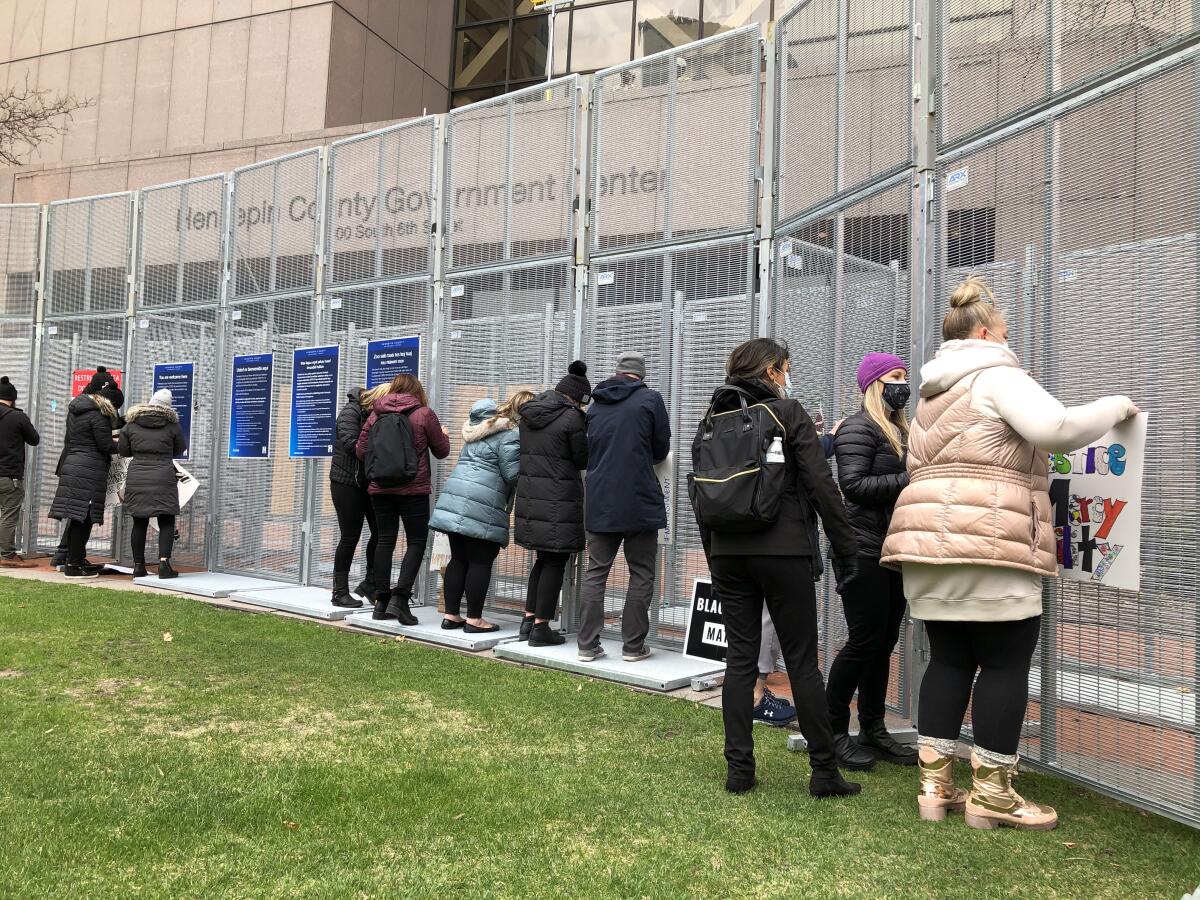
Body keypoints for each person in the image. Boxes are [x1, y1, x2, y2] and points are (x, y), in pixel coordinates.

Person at [881, 277, 1139, 830]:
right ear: (985, 332)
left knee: (948, 658)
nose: (1010, 340)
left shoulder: (930, 392)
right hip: (989, 539)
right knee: (1004, 659)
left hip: (929, 543)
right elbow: (1058, 429)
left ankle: (935, 788)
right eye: (1004, 332)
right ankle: (993, 796)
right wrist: (1115, 406)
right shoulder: (997, 376)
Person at [694, 338, 861, 798]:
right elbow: (821, 485)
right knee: (803, 661)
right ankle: (824, 771)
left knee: (740, 660)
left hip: (729, 552)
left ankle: (739, 770)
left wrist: (715, 556)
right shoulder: (788, 414)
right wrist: (847, 547)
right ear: (772, 372)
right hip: (782, 549)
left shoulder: (710, 423)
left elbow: (700, 496)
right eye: (786, 368)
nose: (789, 376)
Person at [825, 352, 917, 771]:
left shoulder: (899, 430)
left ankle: (873, 729)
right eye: (895, 376)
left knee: (883, 642)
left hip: (891, 548)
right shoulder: (859, 428)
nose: (903, 383)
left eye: (904, 375)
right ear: (875, 384)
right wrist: (911, 477)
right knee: (864, 641)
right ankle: (832, 731)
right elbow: (854, 485)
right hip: (860, 549)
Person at [576, 352, 670, 663]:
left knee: (596, 571)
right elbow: (661, 449)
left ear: (617, 373)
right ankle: (633, 647)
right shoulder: (650, 400)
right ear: (641, 376)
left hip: (600, 497)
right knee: (641, 572)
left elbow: (589, 447)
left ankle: (587, 645)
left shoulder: (596, 403)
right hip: (639, 498)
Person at [429, 391, 530, 633]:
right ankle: (475, 619)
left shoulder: (472, 433)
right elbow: (512, 474)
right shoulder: (508, 435)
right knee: (480, 561)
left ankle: (451, 615)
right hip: (483, 503)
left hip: (455, 499)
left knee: (459, 558)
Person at [355, 374, 450, 625]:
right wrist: (443, 434)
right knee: (416, 542)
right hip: (413, 488)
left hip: (380, 488)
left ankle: (381, 602)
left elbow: (361, 451)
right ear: (416, 390)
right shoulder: (424, 414)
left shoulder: (376, 414)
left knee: (385, 540)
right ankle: (401, 599)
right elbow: (442, 452)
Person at [514, 361, 590, 647]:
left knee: (542, 560)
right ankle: (541, 628)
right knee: (555, 561)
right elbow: (582, 459)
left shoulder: (531, 414)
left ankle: (529, 620)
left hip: (533, 499)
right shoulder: (572, 419)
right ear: (576, 399)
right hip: (559, 500)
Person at [49, 368, 124, 578]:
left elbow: (87, 437)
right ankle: (74, 564)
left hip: (74, 464)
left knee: (77, 515)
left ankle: (73, 559)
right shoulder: (97, 414)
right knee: (85, 517)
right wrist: (128, 444)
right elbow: (106, 445)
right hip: (88, 469)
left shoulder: (78, 409)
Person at [119, 388, 187, 579]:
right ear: (168, 406)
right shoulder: (172, 425)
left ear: (150, 402)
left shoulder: (131, 424)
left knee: (139, 521)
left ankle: (138, 566)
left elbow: (123, 451)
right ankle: (164, 564)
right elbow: (180, 449)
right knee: (166, 519)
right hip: (163, 476)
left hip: (138, 475)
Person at [329, 387, 376, 609]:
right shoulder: (351, 412)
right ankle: (339, 592)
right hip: (345, 483)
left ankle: (370, 584)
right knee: (350, 536)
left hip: (367, 483)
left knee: (380, 533)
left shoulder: (370, 414)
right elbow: (352, 444)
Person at [0, 376, 40, 567]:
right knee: (9, 515)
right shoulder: (17, 417)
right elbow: (34, 439)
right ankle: (6, 555)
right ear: (12, 398)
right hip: (8, 476)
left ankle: (7, 552)